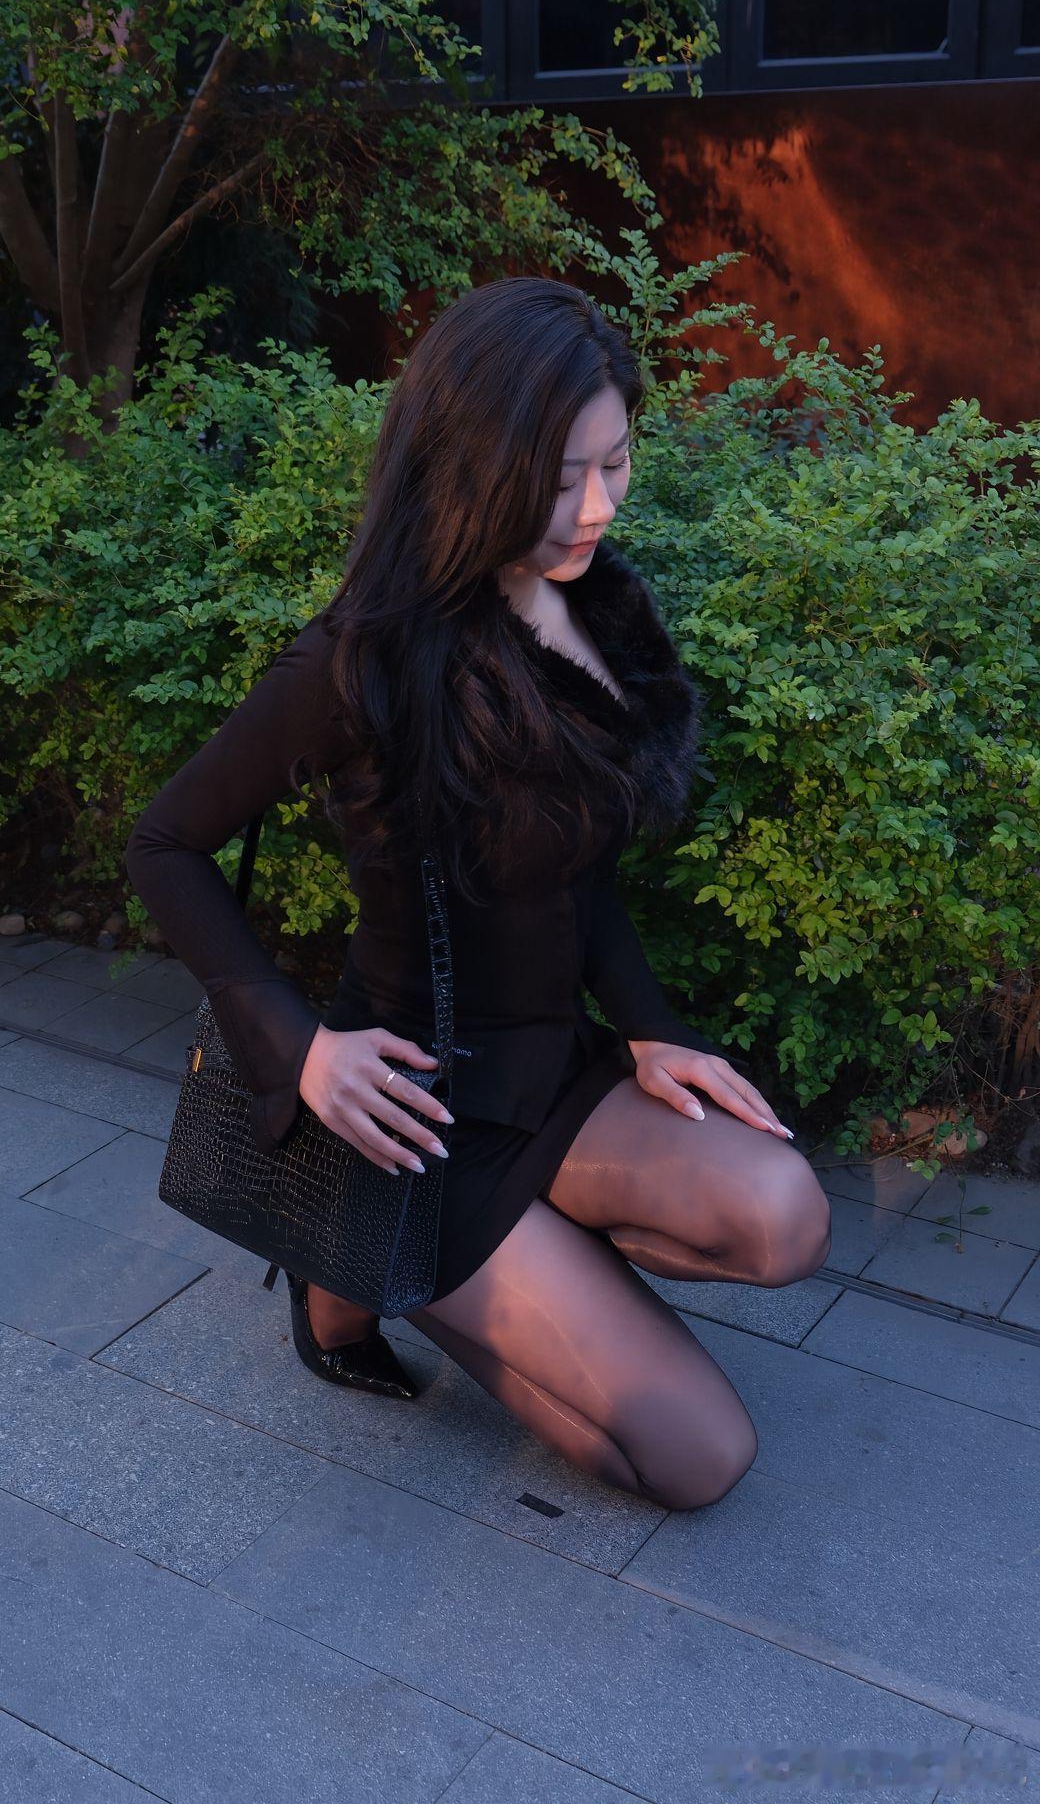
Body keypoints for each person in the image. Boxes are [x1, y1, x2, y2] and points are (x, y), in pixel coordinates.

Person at [125, 275, 831, 1510]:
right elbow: (164, 844)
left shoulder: (599, 611)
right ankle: (365, 1259)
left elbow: (581, 869)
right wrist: (299, 1052)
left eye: (616, 462)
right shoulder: (359, 662)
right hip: (416, 1112)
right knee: (701, 1459)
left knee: (785, 1217)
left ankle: (482, 1259)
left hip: (552, 1071)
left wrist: (652, 1027)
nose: (599, 507)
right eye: (561, 478)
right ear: (474, 465)